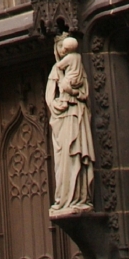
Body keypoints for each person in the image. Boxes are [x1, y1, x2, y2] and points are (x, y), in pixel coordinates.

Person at [46, 33, 95, 215]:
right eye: (59, 47)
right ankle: (65, 199)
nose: (62, 51)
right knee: (65, 158)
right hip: (62, 119)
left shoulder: (78, 68)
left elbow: (84, 93)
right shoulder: (56, 71)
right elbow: (50, 98)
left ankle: (80, 198)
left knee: (77, 154)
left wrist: (73, 93)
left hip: (77, 116)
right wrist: (57, 105)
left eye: (64, 46)